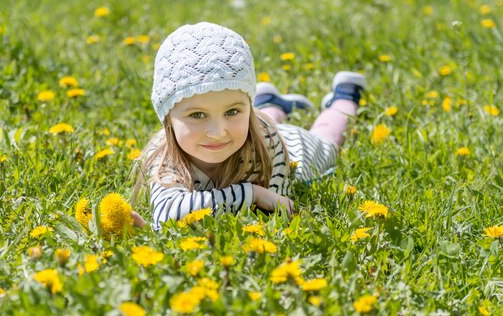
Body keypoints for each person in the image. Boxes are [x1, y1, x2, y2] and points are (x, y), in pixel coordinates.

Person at [130, 22, 365, 230]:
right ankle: (269, 102)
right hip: (252, 127)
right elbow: (168, 216)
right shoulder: (164, 156)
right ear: (167, 117)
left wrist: (257, 198)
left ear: (247, 107)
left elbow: (274, 211)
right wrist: (252, 194)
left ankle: (345, 96)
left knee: (326, 139)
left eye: (232, 110)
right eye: (198, 114)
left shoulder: (268, 147)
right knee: (249, 122)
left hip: (293, 151)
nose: (218, 132)